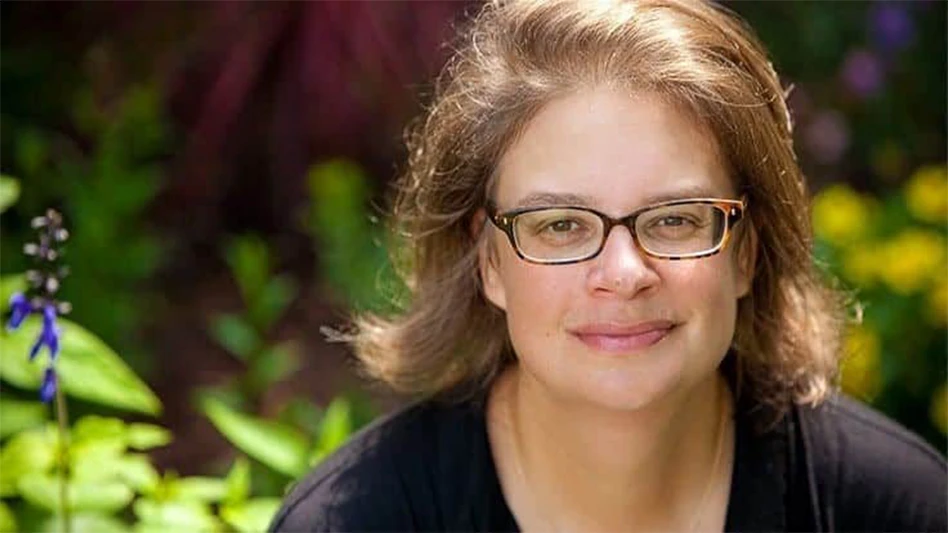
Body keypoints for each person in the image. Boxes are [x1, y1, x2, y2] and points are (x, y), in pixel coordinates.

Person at [270, 0, 947, 531]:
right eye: (561, 225)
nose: (624, 271)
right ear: (489, 261)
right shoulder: (357, 522)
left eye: (676, 219)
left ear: (746, 251)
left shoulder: (896, 509)